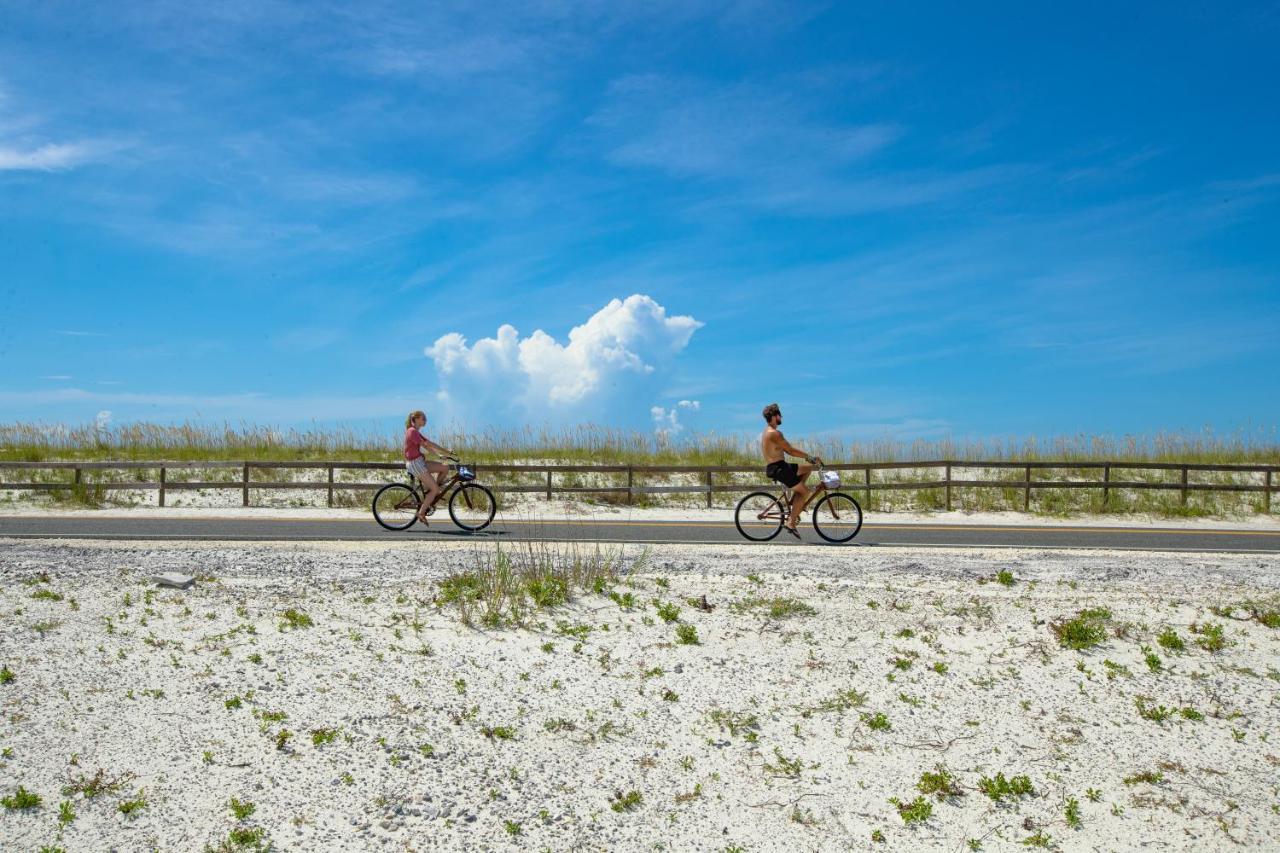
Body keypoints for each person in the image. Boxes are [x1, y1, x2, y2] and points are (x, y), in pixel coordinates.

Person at [760, 402, 822, 538]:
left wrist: (809, 461)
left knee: (807, 469)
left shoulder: (766, 431)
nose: (781, 417)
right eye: (780, 415)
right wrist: (810, 456)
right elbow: (791, 450)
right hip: (779, 468)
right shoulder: (774, 433)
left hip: (779, 466)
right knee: (805, 491)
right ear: (775, 416)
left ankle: (796, 500)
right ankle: (791, 523)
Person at [404, 410, 456, 523]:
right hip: (415, 463)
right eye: (423, 418)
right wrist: (440, 455)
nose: (425, 420)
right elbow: (426, 446)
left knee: (445, 468)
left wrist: (446, 452)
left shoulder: (416, 432)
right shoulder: (412, 431)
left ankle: (432, 492)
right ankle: (421, 513)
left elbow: (430, 443)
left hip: (419, 462)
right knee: (435, 489)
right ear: (416, 419)